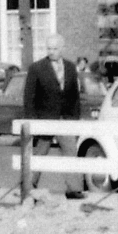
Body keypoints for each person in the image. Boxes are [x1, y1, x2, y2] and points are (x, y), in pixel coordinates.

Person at [23, 33, 84, 194]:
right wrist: (32, 122)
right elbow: (29, 98)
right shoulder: (36, 68)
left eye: (55, 48)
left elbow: (75, 96)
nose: (51, 51)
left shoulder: (70, 67)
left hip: (66, 119)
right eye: (49, 48)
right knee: (39, 154)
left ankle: (74, 189)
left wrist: (75, 120)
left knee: (70, 152)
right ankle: (28, 186)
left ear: (62, 48)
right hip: (44, 119)